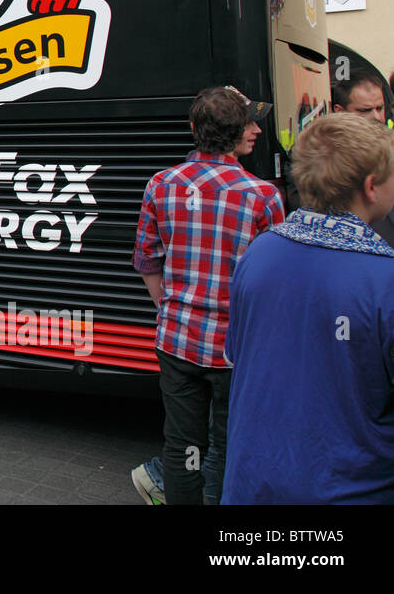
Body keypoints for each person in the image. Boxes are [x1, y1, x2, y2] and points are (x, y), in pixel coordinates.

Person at [223, 113, 394, 502]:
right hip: (351, 490)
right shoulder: (385, 279)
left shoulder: (260, 251)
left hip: (253, 484)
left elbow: (239, 354)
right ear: (371, 187)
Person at [130, 86, 285, 504]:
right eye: (249, 124)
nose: (255, 130)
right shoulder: (263, 196)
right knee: (226, 445)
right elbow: (273, 277)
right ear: (236, 135)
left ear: (195, 128)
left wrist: (171, 309)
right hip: (236, 348)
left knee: (184, 446)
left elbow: (146, 260)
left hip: (176, 340)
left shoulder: (160, 185)